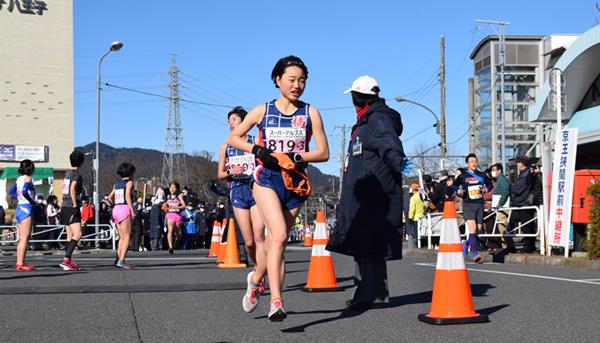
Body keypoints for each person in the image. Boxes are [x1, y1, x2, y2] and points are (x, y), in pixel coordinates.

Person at [227, 55, 329, 321]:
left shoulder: (310, 113)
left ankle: (255, 279)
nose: (297, 85)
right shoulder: (262, 111)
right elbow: (233, 138)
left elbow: (323, 152)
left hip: (295, 183)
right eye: (292, 79)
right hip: (267, 178)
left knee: (276, 244)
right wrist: (259, 150)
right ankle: (276, 301)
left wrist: (297, 157)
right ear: (278, 80)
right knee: (281, 235)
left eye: (302, 80)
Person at [326, 75, 410, 309]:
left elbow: (388, 143)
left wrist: (398, 160)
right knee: (362, 244)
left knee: (371, 244)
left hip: (375, 195)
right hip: (364, 196)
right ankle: (365, 293)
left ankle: (374, 295)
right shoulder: (365, 122)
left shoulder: (377, 120)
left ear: (358, 98)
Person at [218, 106, 267, 304]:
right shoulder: (225, 147)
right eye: (229, 120)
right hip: (237, 190)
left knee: (259, 236)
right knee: (248, 241)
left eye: (235, 119)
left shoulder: (256, 142)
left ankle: (259, 276)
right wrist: (232, 170)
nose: (231, 123)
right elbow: (220, 174)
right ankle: (258, 268)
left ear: (245, 122)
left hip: (255, 187)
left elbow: (265, 162)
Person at [454, 153, 493, 263]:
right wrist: (459, 191)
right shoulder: (463, 176)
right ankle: (475, 253)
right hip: (468, 204)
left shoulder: (482, 175)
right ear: (467, 164)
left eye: (475, 161)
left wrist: (487, 189)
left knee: (478, 230)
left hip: (479, 204)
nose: (474, 163)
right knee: (472, 227)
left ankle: (466, 243)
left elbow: (490, 185)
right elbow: (453, 186)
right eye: (471, 161)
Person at [59, 150, 85, 271]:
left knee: (69, 234)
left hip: (64, 205)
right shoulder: (76, 175)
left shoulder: (67, 173)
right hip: (71, 206)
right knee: (78, 233)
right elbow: (72, 188)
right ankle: (67, 259)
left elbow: (62, 188)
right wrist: (75, 202)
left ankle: (67, 260)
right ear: (82, 162)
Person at [9, 159, 37, 271]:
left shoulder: (18, 179)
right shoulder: (27, 178)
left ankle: (20, 262)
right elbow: (25, 191)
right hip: (26, 208)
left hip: (20, 208)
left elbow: (11, 192)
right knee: (25, 237)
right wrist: (31, 201)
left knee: (23, 238)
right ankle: (20, 263)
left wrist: (19, 198)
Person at [107, 163, 136, 269]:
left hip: (116, 209)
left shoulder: (117, 184)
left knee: (121, 237)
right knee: (127, 236)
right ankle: (121, 260)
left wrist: (115, 205)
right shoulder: (129, 183)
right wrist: (132, 210)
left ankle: (118, 258)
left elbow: (109, 197)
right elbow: (128, 196)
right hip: (124, 209)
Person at [511, 155, 535, 253]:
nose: (517, 164)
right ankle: (528, 245)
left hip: (524, 203)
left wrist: (512, 186)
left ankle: (528, 247)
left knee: (526, 226)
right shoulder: (525, 173)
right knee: (526, 226)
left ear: (523, 163)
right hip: (523, 203)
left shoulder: (525, 174)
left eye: (518, 162)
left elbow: (516, 189)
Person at [490, 163, 515, 253]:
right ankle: (508, 246)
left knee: (502, 226)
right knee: (502, 226)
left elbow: (505, 190)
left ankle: (508, 247)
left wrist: (500, 203)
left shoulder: (502, 179)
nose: (493, 172)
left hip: (503, 206)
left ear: (499, 170)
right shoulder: (500, 179)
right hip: (502, 205)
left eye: (494, 170)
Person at [165, 182, 186, 254]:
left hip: (177, 215)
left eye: (173, 187)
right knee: (170, 230)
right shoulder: (168, 196)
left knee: (177, 232)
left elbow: (184, 205)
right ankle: (170, 247)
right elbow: (165, 205)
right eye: (171, 187)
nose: (172, 189)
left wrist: (177, 207)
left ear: (176, 189)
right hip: (170, 214)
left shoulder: (179, 196)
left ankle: (178, 239)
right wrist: (165, 207)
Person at [408, 183, 425, 247]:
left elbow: (412, 209)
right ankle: (423, 243)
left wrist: (410, 217)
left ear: (413, 189)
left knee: (417, 232)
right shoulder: (421, 196)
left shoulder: (413, 198)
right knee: (423, 231)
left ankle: (418, 244)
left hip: (416, 217)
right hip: (422, 216)